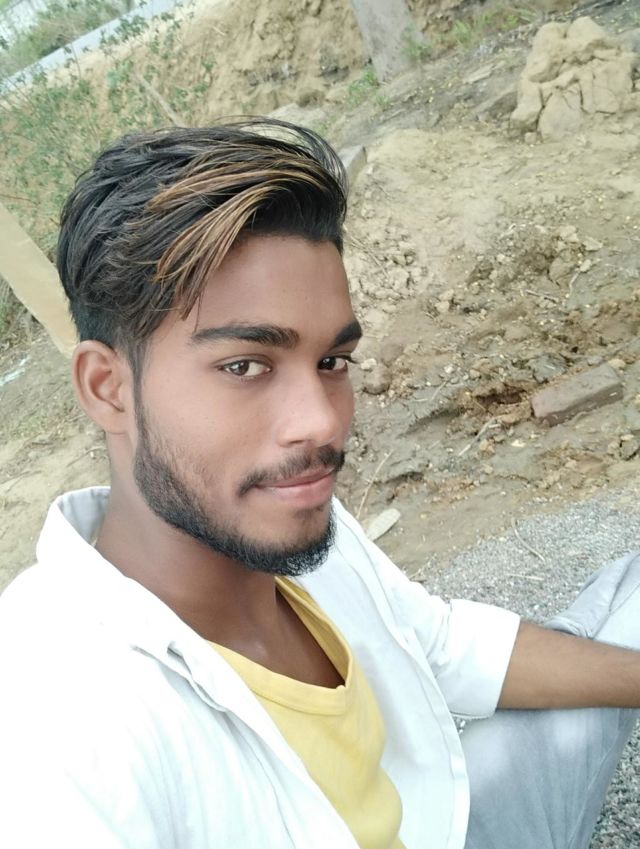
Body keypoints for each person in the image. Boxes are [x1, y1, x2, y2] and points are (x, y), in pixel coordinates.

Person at [0, 120, 638, 849]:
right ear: (107, 387)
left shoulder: (283, 516)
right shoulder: (55, 719)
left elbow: (433, 642)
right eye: (245, 365)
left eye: (332, 362)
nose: (322, 422)